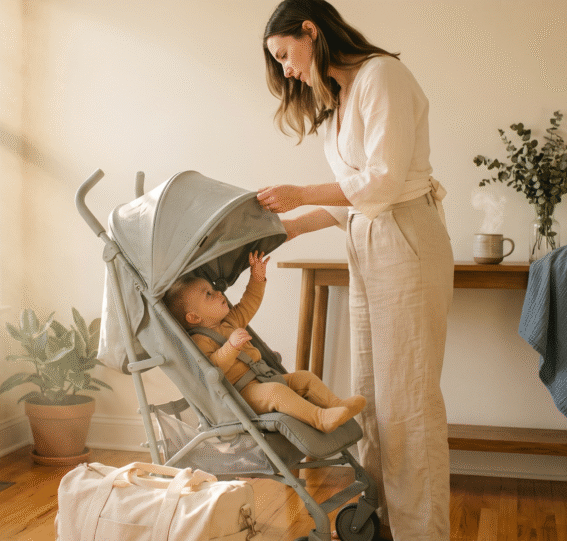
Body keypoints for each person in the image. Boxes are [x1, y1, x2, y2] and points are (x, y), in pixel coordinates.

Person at [257, 1, 454, 540]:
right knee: (372, 393)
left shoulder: (381, 76)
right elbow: (355, 198)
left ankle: (424, 533)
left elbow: (384, 183)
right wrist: (294, 225)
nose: (286, 70)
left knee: (408, 400)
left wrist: (299, 191)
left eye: (284, 55)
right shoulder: (339, 98)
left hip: (407, 236)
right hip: (368, 241)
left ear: (310, 30)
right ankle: (387, 521)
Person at [164, 251, 366, 433]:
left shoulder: (231, 321)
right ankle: (320, 419)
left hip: (265, 376)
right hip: (244, 393)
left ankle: (337, 405)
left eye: (213, 289)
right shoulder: (199, 341)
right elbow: (213, 369)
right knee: (276, 392)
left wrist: (257, 278)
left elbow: (249, 302)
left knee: (304, 378)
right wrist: (230, 347)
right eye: (208, 295)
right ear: (194, 318)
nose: (219, 293)